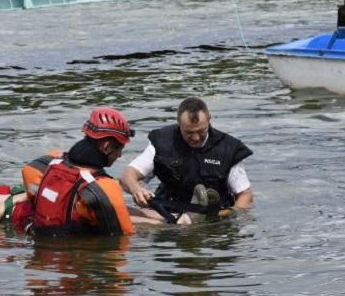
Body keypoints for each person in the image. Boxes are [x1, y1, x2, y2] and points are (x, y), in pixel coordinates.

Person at [120, 97, 253, 223]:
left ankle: (191, 219)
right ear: (178, 122)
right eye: (189, 132)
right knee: (121, 213)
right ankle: (182, 221)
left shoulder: (229, 148)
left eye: (201, 131)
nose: (195, 138)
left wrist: (231, 213)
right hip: (167, 211)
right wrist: (136, 189)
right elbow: (128, 176)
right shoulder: (162, 141)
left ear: (209, 119)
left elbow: (245, 195)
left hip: (212, 216)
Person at [26, 107, 136, 236]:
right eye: (119, 149)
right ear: (106, 147)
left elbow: (27, 173)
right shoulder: (104, 187)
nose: (120, 155)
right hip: (73, 252)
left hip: (38, 241)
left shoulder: (47, 163)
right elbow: (124, 235)